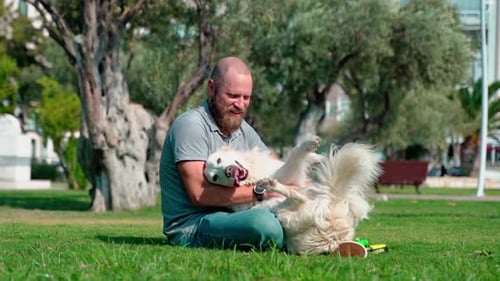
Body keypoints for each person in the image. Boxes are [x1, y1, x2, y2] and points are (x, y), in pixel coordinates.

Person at [159, 56, 284, 251]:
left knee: (295, 210)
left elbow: (276, 165)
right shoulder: (190, 125)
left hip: (232, 215)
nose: (240, 105)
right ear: (211, 88)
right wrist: (262, 192)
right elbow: (199, 195)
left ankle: (324, 238)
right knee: (264, 225)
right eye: (233, 96)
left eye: (246, 97)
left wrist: (306, 188)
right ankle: (296, 241)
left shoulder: (242, 129)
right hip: (193, 226)